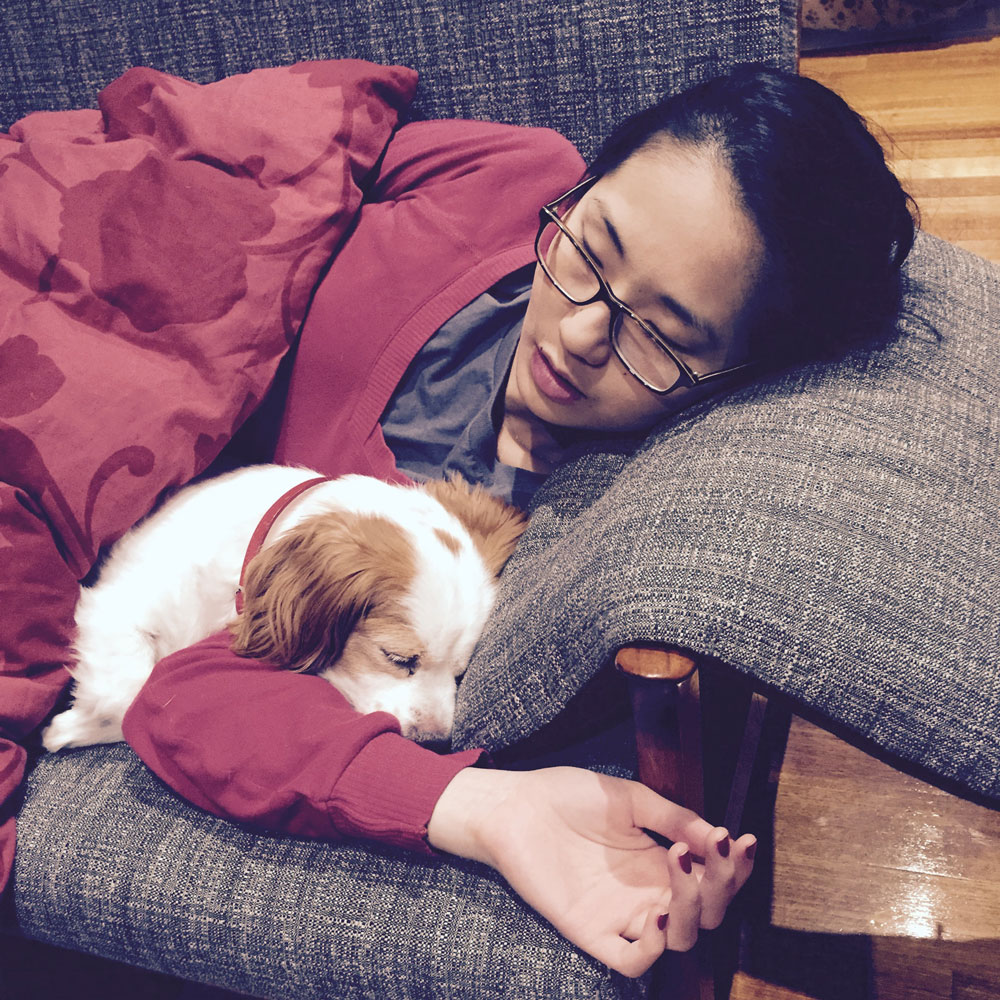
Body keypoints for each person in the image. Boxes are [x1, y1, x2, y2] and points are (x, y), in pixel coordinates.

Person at [121, 65, 915, 980]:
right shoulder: (507, 175)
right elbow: (272, 164)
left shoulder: (537, 562)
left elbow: (186, 699)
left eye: (660, 337)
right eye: (592, 249)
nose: (578, 336)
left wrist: (481, 810)